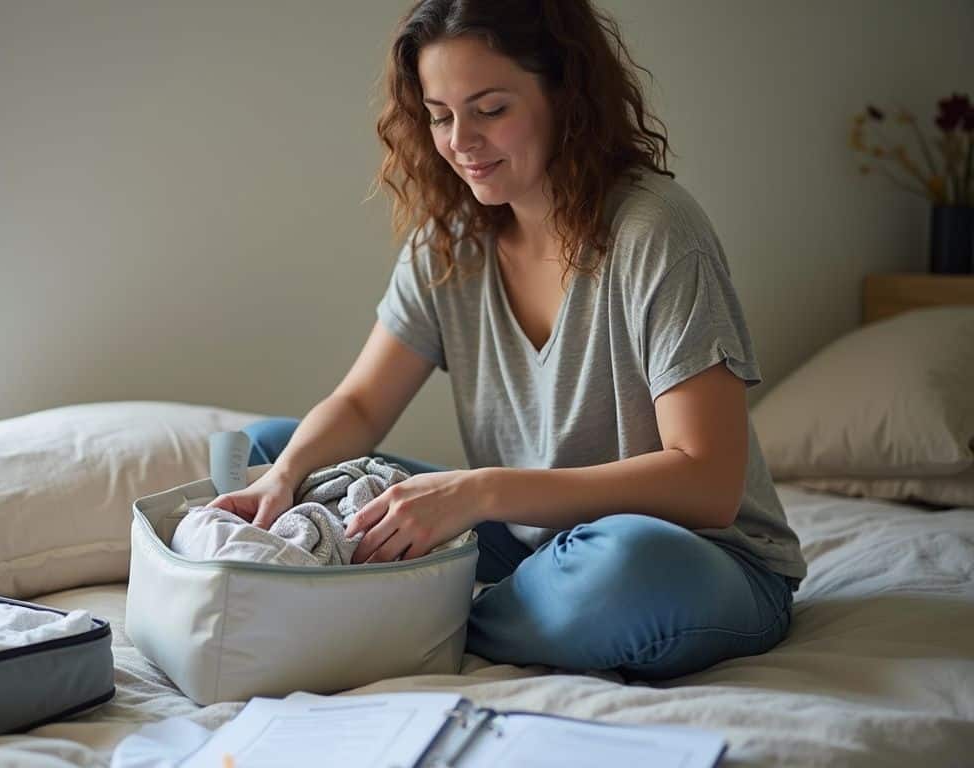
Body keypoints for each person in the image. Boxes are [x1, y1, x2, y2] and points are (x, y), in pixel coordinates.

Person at [207, 0, 806, 681]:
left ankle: (406, 622)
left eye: (490, 109)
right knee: (265, 448)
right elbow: (362, 406)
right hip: (528, 544)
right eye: (440, 115)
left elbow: (708, 483)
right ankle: (450, 605)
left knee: (622, 568)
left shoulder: (656, 231)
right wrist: (284, 480)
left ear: (565, 96)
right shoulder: (450, 245)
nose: (461, 139)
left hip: (696, 556)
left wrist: (479, 493)